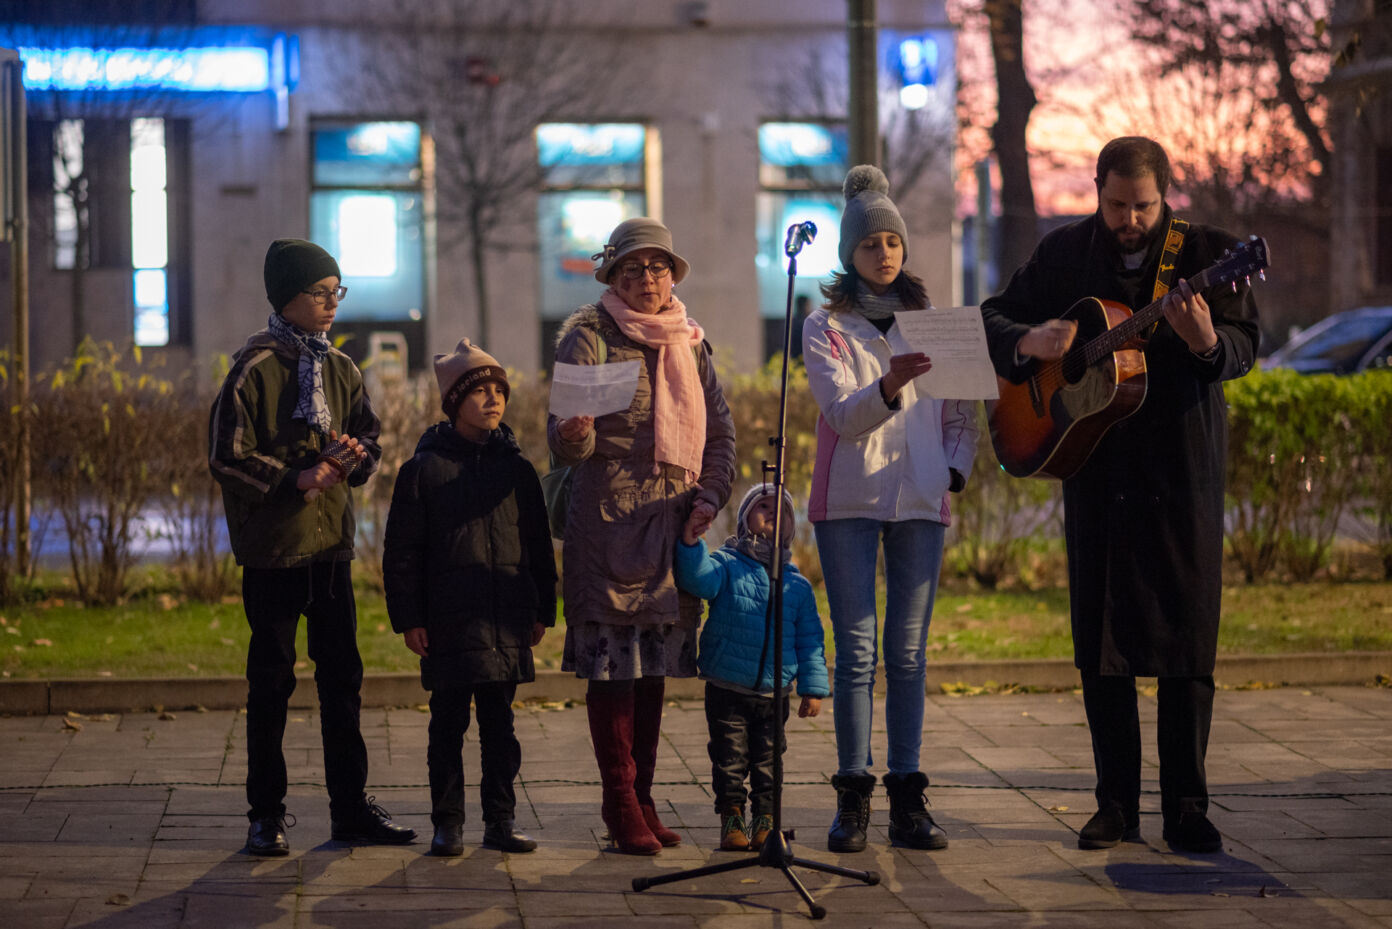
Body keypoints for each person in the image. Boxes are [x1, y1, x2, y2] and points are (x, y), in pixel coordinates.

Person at [979, 137, 1260, 854]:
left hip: (1180, 475)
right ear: (1097, 190)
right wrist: (1033, 339)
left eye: (1143, 205)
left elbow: (1243, 345)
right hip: (1097, 470)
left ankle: (1186, 806)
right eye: (1116, 204)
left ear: (1167, 194)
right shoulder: (1066, 253)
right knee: (1101, 643)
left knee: (1185, 641)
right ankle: (1115, 804)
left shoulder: (1211, 254)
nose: (1129, 219)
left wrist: (1204, 342)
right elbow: (995, 316)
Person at [209, 238, 415, 856]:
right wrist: (295, 477)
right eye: (320, 293)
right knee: (270, 682)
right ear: (287, 298)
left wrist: (353, 460)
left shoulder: (339, 367)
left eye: (336, 292)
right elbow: (227, 456)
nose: (332, 304)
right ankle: (265, 815)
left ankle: (350, 810)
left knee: (342, 683)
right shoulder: (255, 366)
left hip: (330, 553)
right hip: (274, 552)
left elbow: (369, 438)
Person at [802, 166, 979, 853]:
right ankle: (853, 794)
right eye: (871, 242)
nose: (884, 253)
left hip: (919, 498)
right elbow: (844, 417)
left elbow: (964, 410)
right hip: (848, 498)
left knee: (907, 653)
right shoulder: (826, 327)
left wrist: (953, 470)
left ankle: (908, 795)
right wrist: (893, 384)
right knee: (857, 652)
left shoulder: (935, 326)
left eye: (893, 242)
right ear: (850, 253)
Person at [548, 217, 736, 855]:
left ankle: (646, 796)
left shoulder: (690, 339)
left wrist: (709, 497)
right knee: (614, 668)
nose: (647, 277)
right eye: (633, 267)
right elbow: (565, 441)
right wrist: (573, 434)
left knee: (653, 667)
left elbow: (721, 436)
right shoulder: (588, 336)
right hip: (610, 526)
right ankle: (619, 800)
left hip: (674, 527)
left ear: (673, 274)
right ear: (612, 275)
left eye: (658, 266)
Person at [382, 338, 557, 857]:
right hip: (450, 621)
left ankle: (500, 821)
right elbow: (402, 552)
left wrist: (542, 607)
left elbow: (538, 547)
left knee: (501, 730)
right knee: (448, 726)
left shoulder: (517, 470)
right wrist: (410, 618)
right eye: (478, 391)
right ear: (454, 402)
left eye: (498, 390)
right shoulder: (424, 470)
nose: (492, 399)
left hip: (504, 618)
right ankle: (448, 822)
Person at [674, 483, 829, 852]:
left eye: (781, 510)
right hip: (727, 685)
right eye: (762, 505)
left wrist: (814, 687)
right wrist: (692, 545)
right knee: (729, 759)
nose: (770, 512)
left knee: (769, 760)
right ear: (745, 518)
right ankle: (731, 818)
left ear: (791, 526)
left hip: (775, 692)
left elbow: (810, 641)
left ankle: (765, 821)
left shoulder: (797, 585)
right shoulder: (726, 564)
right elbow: (698, 581)